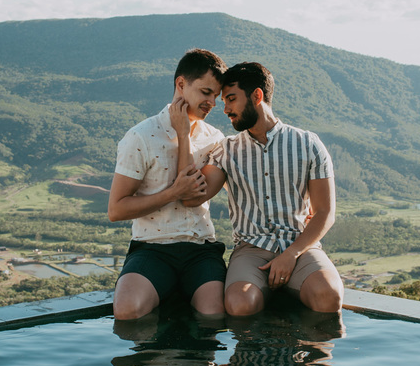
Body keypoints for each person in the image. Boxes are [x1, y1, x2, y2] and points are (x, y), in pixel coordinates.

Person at [195, 62, 345, 316]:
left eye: (231, 99)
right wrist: (181, 132)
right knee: (240, 305)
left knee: (329, 297)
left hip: (301, 246)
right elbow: (198, 194)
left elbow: (324, 213)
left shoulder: (308, 144)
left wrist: (291, 254)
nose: (226, 109)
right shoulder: (226, 150)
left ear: (257, 95)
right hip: (250, 250)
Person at [107, 49, 228, 319]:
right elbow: (116, 210)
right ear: (181, 84)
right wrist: (172, 193)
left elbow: (196, 195)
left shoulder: (215, 139)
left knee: (215, 313)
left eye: (216, 96)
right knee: (127, 310)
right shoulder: (140, 136)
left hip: (200, 249)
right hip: (152, 249)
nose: (212, 102)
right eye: (206, 92)